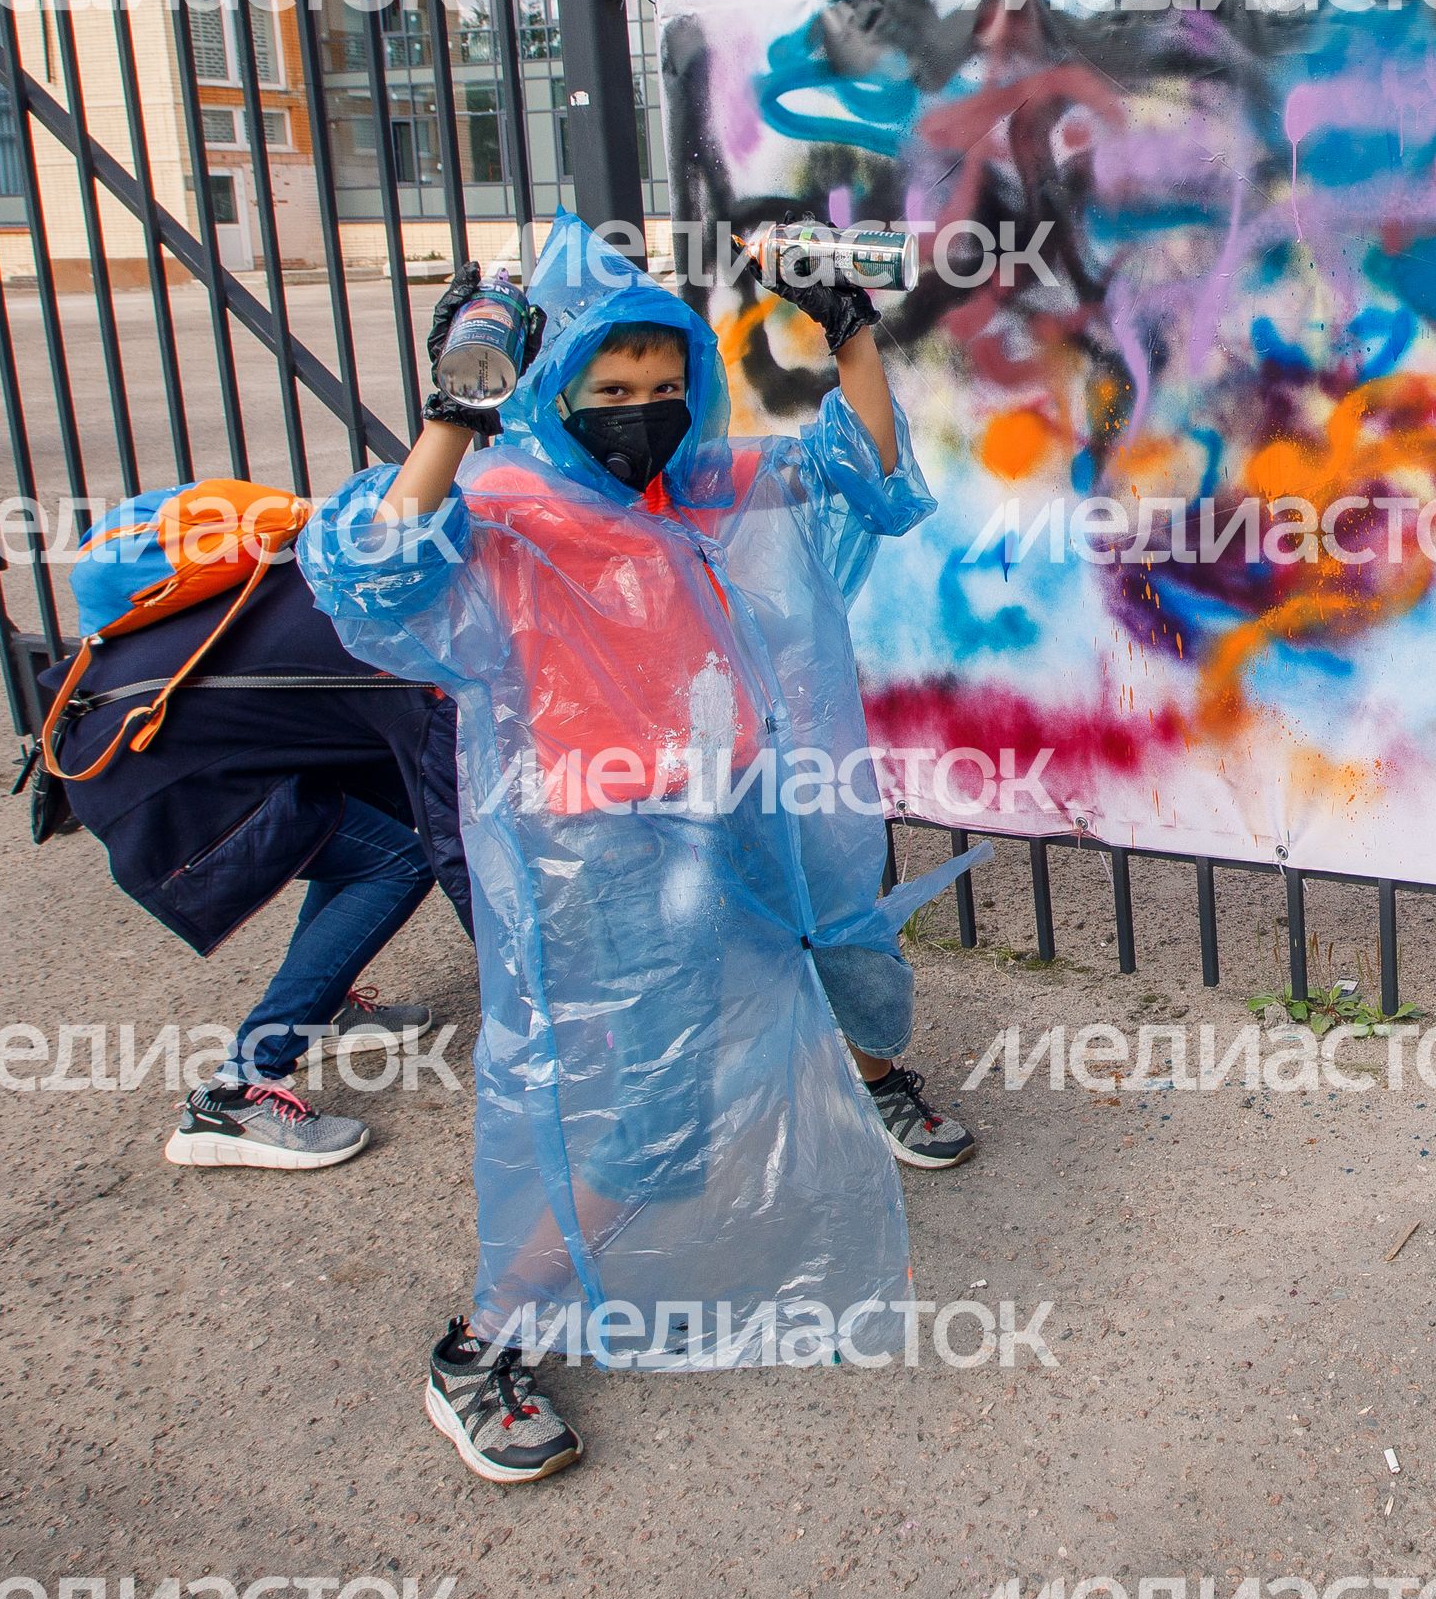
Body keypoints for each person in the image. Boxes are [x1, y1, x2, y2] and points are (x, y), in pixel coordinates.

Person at [300, 229, 978, 1485]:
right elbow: (370, 575)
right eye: (611, 388)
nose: (643, 410)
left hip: (747, 796)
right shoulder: (507, 504)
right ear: (552, 387)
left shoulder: (695, 483)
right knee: (652, 1104)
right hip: (612, 845)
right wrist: (456, 409)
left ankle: (877, 1078)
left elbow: (869, 475)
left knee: (844, 945)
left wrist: (851, 332)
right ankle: (482, 1344)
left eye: (665, 385)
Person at [33, 535, 468, 1172]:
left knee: (376, 838)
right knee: (400, 863)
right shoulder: (402, 657)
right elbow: (457, 843)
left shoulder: (370, 582)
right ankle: (237, 1090)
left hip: (144, 734)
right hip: (159, 776)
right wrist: (546, 992)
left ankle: (319, 1007)